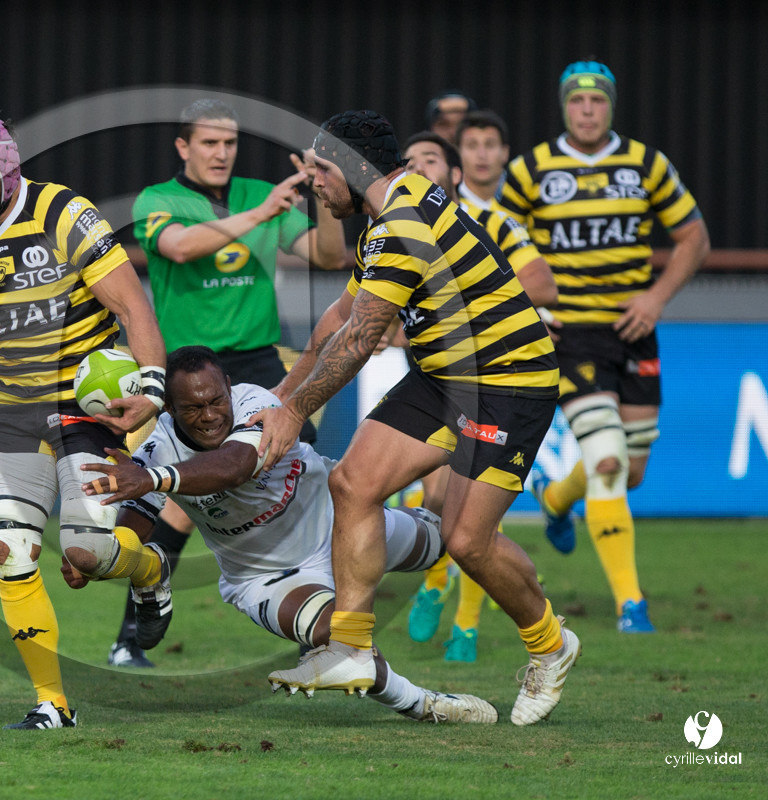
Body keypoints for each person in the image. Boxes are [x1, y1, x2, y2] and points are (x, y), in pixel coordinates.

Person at [254, 109, 580, 726]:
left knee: (467, 542)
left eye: (322, 170)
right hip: (444, 377)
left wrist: (294, 413)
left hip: (507, 382)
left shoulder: (403, 222)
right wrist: (282, 395)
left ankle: (550, 645)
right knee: (353, 483)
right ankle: (350, 647)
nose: (314, 183)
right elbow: (339, 319)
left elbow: (359, 339)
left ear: (354, 169)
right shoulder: (386, 218)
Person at [67, 346, 497, 723]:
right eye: (193, 409)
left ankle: (529, 628)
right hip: (266, 578)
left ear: (229, 387)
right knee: (339, 638)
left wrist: (152, 478)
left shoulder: (257, 402)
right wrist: (103, 558)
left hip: (344, 524)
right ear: (170, 410)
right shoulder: (157, 450)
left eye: (216, 400)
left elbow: (234, 465)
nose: (210, 415)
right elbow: (135, 525)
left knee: (453, 541)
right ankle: (424, 705)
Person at [0, 109, 169, 730]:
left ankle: (150, 569)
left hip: (85, 410)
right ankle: (52, 704)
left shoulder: (65, 214)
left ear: (8, 170)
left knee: (85, 554)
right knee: (10, 548)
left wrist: (152, 387)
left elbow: (132, 306)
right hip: (13, 412)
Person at [108, 99, 347, 667]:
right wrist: (263, 214)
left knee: (302, 469)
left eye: (230, 143)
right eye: (209, 142)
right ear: (183, 147)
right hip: (187, 373)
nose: (221, 153)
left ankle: (313, 607)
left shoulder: (258, 194)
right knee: (174, 501)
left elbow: (330, 254)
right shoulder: (158, 200)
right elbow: (180, 247)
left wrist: (324, 194)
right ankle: (130, 634)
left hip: (257, 364)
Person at [498, 61, 710, 633]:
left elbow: (694, 237)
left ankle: (556, 500)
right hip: (567, 335)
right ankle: (630, 606)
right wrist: (530, 311)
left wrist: (656, 298)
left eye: (597, 100)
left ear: (610, 106)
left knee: (631, 471)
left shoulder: (645, 164)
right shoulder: (530, 170)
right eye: (577, 100)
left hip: (634, 330)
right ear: (564, 106)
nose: (587, 110)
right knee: (609, 459)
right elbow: (495, 243)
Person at [399, 131, 558, 662]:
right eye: (410, 161)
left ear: (454, 176)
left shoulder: (490, 222)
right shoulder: (399, 230)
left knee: (473, 514)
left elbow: (542, 285)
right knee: (438, 500)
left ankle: (465, 627)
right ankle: (434, 583)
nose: (418, 168)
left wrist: (479, 308)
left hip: (491, 381)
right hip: (433, 383)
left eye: (430, 160)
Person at [454, 109, 515, 213]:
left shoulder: (525, 196)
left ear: (505, 152)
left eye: (490, 145)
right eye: (472, 146)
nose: (482, 155)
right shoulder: (447, 201)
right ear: (458, 153)